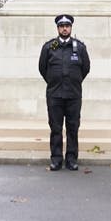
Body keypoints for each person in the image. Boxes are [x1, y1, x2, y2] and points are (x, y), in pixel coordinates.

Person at [38, 14, 91, 171]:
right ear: (58, 28)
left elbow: (85, 68)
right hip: (55, 95)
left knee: (73, 128)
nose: (64, 28)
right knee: (55, 128)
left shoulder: (79, 47)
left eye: (67, 26)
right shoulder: (49, 47)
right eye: (61, 26)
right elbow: (42, 68)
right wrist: (54, 82)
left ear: (71, 27)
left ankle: (72, 159)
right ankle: (56, 159)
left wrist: (74, 81)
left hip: (73, 95)